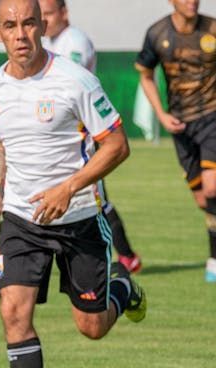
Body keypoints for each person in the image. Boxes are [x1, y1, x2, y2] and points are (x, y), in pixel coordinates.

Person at [0, 0, 146, 368]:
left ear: (42, 26)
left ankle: (123, 288)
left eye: (28, 23)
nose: (20, 34)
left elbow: (117, 145)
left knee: (91, 327)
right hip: (21, 218)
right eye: (10, 26)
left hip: (79, 217)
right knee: (13, 311)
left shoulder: (76, 80)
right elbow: (6, 144)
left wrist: (68, 187)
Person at [136, 0, 216, 282]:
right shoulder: (157, 33)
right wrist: (161, 114)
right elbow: (145, 76)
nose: (192, 1)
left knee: (213, 186)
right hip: (181, 124)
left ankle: (214, 262)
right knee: (204, 200)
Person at [40, 0, 143, 273]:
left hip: (82, 133)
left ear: (64, 13)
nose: (44, 20)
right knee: (89, 196)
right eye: (41, 15)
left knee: (96, 197)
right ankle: (122, 256)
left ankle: (125, 257)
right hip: (62, 134)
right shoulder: (48, 43)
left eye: (49, 14)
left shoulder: (75, 41)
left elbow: (71, 82)